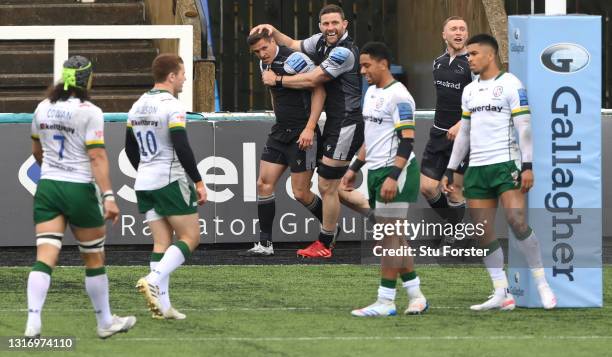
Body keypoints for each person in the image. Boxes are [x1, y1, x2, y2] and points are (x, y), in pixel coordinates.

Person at [442, 34, 556, 311]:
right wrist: (451, 169)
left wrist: (527, 166)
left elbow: (524, 128)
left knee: (516, 221)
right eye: (467, 55)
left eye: (473, 54)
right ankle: (501, 292)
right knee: (483, 231)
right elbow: (465, 133)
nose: (468, 59)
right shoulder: (469, 91)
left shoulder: (511, 85)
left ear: (490, 56)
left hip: (506, 165)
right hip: (477, 169)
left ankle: (542, 284)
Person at [26, 55, 136, 338]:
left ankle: (33, 321)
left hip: (48, 187)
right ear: (89, 79)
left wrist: (53, 170)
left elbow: (37, 152)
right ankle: (104, 323)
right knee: (94, 258)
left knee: (45, 256)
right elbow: (97, 156)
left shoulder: (42, 107)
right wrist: (109, 196)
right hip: (79, 189)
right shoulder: (90, 111)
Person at [251, 4, 364, 258]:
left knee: (326, 187)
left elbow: (315, 81)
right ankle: (267, 244)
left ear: (345, 25)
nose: (330, 28)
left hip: (346, 122)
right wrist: (273, 30)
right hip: (327, 123)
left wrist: (279, 82)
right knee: (329, 187)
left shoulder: (344, 53)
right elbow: (292, 40)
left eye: (335, 23)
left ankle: (329, 240)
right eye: (325, 24)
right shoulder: (320, 43)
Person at [343, 42, 427, 316]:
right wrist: (354, 167)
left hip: (397, 173)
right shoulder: (372, 94)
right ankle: (416, 295)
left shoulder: (399, 96)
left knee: (388, 239)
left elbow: (407, 141)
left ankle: (386, 300)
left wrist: (393, 176)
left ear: (383, 64)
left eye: (367, 66)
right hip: (378, 172)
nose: (363, 71)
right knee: (396, 239)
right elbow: (372, 138)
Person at [126, 54, 207, 319]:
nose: (185, 78)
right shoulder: (172, 105)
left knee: (162, 241)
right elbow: (181, 145)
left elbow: (129, 149)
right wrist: (197, 180)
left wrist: (146, 170)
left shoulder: (137, 105)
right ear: (171, 76)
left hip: (145, 180)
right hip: (169, 178)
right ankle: (153, 277)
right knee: (191, 238)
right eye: (183, 73)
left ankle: (163, 306)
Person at [239, 29, 325, 257]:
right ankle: (265, 244)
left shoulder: (294, 59)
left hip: (302, 133)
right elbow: (274, 92)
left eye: (264, 48)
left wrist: (309, 127)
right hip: (280, 132)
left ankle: (329, 230)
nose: (261, 54)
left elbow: (319, 89)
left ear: (272, 41)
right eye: (256, 52)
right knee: (263, 184)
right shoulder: (263, 65)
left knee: (301, 193)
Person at [420, 16, 472, 246]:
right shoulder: (437, 62)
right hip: (438, 134)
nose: (458, 32)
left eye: (462, 29)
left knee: (453, 190)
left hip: (463, 136)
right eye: (454, 29)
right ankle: (456, 223)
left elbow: (482, 101)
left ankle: (455, 238)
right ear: (445, 35)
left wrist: (461, 123)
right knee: (427, 188)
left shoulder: (473, 64)